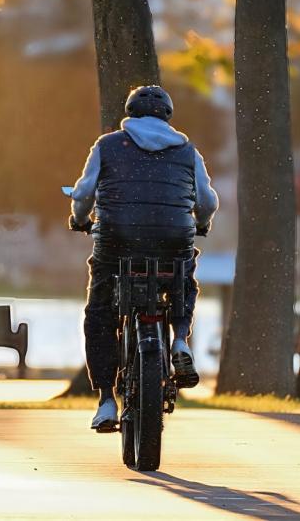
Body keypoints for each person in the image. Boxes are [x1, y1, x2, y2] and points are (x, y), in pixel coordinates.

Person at [68, 85, 219, 431]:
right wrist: (201, 224)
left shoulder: (107, 145)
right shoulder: (187, 149)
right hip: (173, 237)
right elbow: (207, 201)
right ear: (167, 116)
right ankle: (180, 339)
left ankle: (106, 400)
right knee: (182, 277)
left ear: (130, 113)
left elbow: (84, 192)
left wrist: (79, 219)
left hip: (117, 239)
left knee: (100, 311)